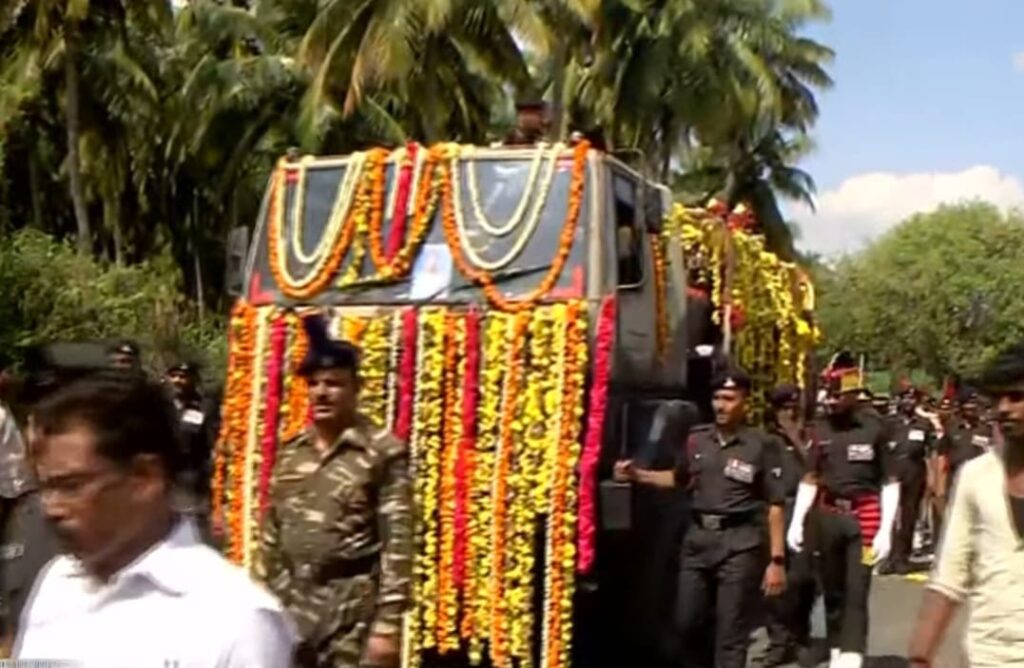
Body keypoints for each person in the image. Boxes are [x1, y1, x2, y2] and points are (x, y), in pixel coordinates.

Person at [14, 372, 295, 666]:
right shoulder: (57, 582)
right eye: (46, 487)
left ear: (144, 477)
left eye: (71, 486)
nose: (51, 508)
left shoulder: (237, 618)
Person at [258, 315, 412, 668]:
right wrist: (269, 602)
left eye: (334, 383)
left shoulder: (382, 452)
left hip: (352, 615)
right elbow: (272, 533)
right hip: (293, 611)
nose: (321, 393)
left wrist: (387, 626)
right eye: (314, 384)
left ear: (356, 389)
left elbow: (398, 544)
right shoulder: (292, 451)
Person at [615, 369, 786, 668]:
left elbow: (775, 505)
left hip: (739, 544)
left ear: (744, 402)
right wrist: (637, 475)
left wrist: (776, 561)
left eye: (729, 399)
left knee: (731, 632)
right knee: (686, 622)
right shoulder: (697, 440)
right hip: (697, 542)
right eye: (717, 398)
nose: (721, 405)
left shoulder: (760, 445)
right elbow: (678, 479)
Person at [908, 342, 1024, 667]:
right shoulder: (976, 477)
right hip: (989, 656)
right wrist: (920, 657)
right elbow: (948, 578)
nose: (1004, 408)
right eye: (997, 398)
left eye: (1016, 397)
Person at [787, 352, 900, 668]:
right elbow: (810, 478)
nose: (831, 400)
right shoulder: (819, 430)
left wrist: (885, 530)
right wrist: (797, 521)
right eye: (828, 393)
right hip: (828, 516)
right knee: (832, 588)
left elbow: (890, 481)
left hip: (865, 517)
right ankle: (838, 644)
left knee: (857, 589)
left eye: (837, 394)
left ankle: (852, 653)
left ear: (853, 394)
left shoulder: (876, 429)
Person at [761, 384, 817, 667]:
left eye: (794, 408)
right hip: (776, 512)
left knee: (805, 581)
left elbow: (814, 470)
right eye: (784, 409)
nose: (790, 413)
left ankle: (800, 636)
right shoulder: (766, 440)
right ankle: (778, 641)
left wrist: (796, 436)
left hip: (806, 512)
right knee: (775, 582)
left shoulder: (811, 437)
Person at [879, 387, 934, 575]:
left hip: (914, 472)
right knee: (890, 515)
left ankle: (903, 557)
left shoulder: (924, 424)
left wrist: (932, 477)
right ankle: (888, 557)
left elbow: (930, 452)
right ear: (899, 400)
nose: (909, 402)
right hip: (891, 472)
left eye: (912, 399)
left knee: (909, 516)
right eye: (905, 398)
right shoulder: (888, 423)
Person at [164, 361, 214, 536]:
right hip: (163, 475)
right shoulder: (160, 405)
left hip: (192, 475)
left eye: (183, 376)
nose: (177, 380)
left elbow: (209, 441)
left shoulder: (203, 406)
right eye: (174, 376)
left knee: (190, 527)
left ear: (193, 379)